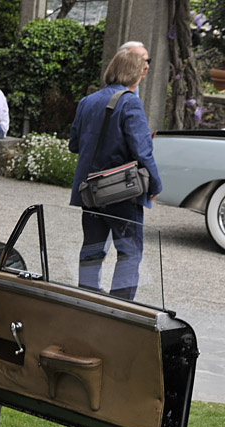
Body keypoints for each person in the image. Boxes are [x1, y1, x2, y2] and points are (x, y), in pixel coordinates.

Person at [68, 50, 161, 301]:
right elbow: (143, 150)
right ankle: (120, 306)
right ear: (134, 73)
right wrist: (155, 184)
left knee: (92, 248)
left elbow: (74, 145)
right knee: (129, 252)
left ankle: (86, 298)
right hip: (122, 190)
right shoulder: (130, 101)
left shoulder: (87, 101)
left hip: (91, 191)